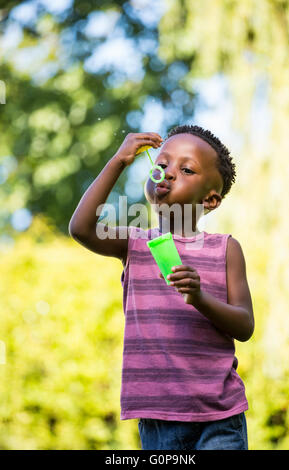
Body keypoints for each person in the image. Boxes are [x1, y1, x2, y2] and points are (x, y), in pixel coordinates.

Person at [69, 124, 254, 450]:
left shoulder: (226, 249)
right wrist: (118, 161)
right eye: (161, 165)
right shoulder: (134, 243)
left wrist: (199, 298)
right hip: (158, 417)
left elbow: (245, 325)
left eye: (186, 169)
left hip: (220, 414)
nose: (167, 174)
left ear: (211, 200)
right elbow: (81, 228)